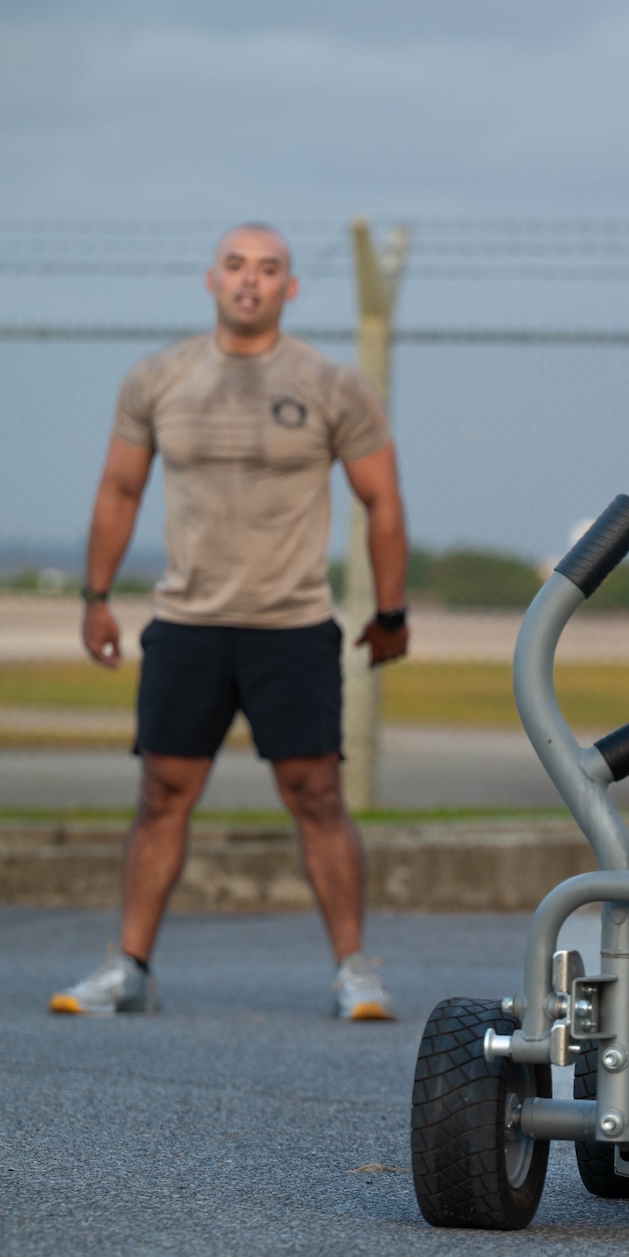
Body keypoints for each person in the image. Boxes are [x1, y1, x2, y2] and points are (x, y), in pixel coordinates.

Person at [51, 222, 410, 1020]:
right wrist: (95, 596)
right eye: (236, 265)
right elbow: (118, 490)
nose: (251, 279)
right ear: (210, 279)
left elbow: (382, 499)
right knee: (162, 793)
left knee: (317, 793)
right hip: (187, 621)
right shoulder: (159, 377)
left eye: (269, 268)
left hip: (293, 622)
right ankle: (130, 968)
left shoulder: (332, 383)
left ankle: (356, 969)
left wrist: (390, 610)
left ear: (291, 288)